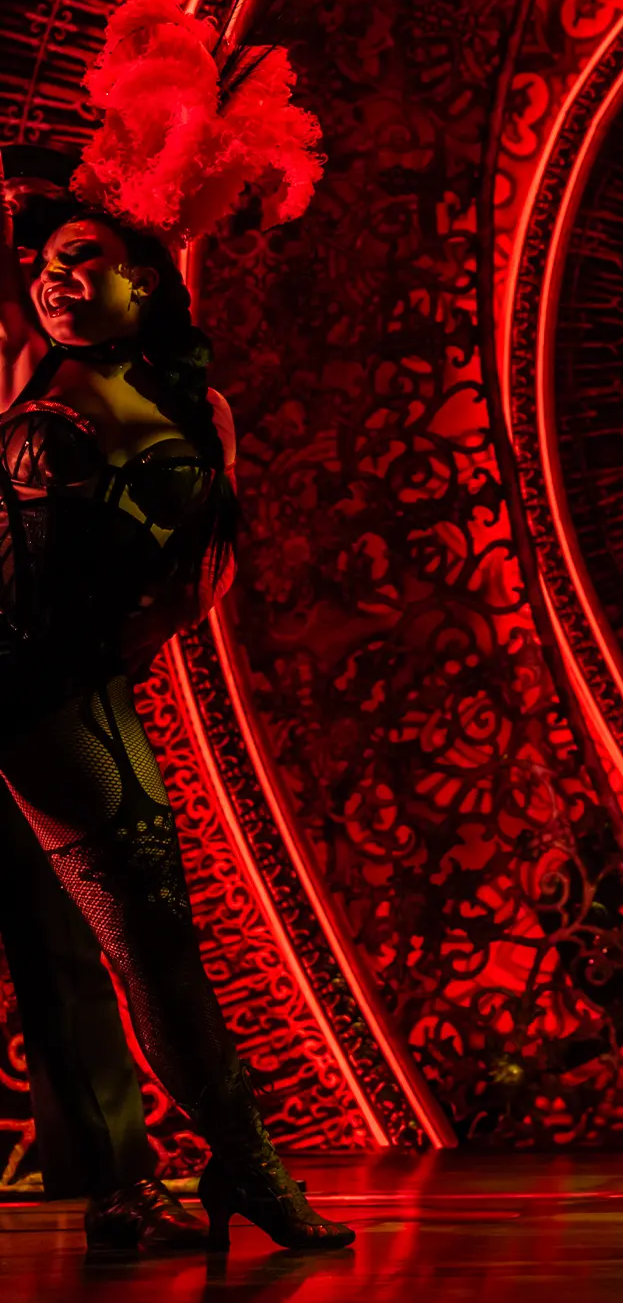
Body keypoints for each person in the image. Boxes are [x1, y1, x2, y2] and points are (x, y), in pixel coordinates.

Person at [0, 0, 345, 1251]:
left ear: (149, 288)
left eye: (88, 266)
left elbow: (175, 585)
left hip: (62, 697)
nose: (56, 280)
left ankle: (172, 1178)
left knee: (126, 945)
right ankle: (220, 1167)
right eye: (46, 267)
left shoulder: (184, 414)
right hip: (33, 695)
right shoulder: (35, 384)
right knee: (133, 942)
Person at [0, 140, 196, 1253]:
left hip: (31, 682)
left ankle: (115, 1169)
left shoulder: (78, 383)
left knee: (61, 935)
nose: (47, 275)